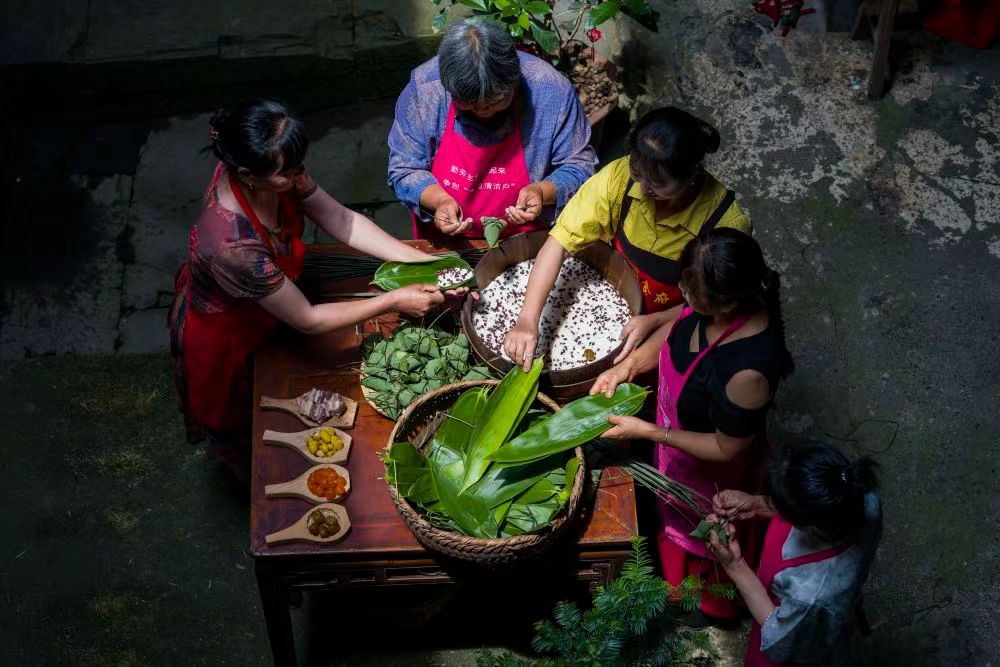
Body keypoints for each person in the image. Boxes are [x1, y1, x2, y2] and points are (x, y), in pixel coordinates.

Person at [169, 99, 460, 482]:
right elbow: (307, 319)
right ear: (248, 175)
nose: (298, 176)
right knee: (244, 434)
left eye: (297, 166)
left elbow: (340, 219)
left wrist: (421, 263)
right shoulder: (230, 245)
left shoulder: (276, 168)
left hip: (273, 308)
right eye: (286, 173)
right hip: (230, 337)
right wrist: (393, 298)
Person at [592, 228, 794, 621]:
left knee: (703, 540)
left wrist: (649, 432)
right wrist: (627, 368)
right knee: (670, 518)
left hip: (711, 472)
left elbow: (728, 448)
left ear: (726, 304)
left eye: (690, 290)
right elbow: (680, 324)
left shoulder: (748, 370)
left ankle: (705, 606)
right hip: (674, 445)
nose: (682, 293)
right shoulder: (706, 307)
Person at [504, 107, 750, 371]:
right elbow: (559, 241)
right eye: (637, 172)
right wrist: (528, 320)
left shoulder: (725, 223)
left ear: (690, 174)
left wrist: (656, 320)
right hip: (617, 296)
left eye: (658, 182)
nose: (644, 188)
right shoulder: (619, 178)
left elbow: (713, 311)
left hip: (677, 321)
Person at [387, 17, 596, 241]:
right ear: (448, 88)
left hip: (526, 241)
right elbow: (404, 170)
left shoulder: (551, 91)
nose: (484, 110)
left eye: (496, 101)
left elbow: (579, 166)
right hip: (446, 242)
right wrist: (439, 200)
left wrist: (543, 192)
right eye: (470, 104)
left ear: (514, 80)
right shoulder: (425, 90)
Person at [707, 443, 883, 666]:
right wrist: (759, 504)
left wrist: (734, 564)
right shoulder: (859, 494)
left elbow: (779, 632)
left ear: (810, 528)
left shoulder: (811, 593)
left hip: (796, 628)